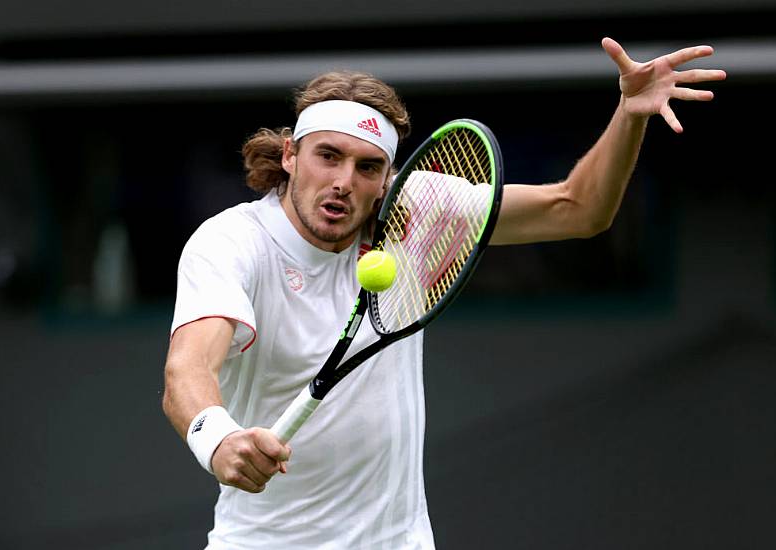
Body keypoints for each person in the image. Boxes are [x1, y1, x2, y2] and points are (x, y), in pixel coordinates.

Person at [162, 37, 725, 549]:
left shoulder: (417, 209)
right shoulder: (233, 243)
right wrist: (219, 439)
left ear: (387, 179)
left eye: (367, 167)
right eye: (326, 156)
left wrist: (629, 114)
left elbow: (578, 208)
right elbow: (187, 372)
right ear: (290, 155)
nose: (343, 181)